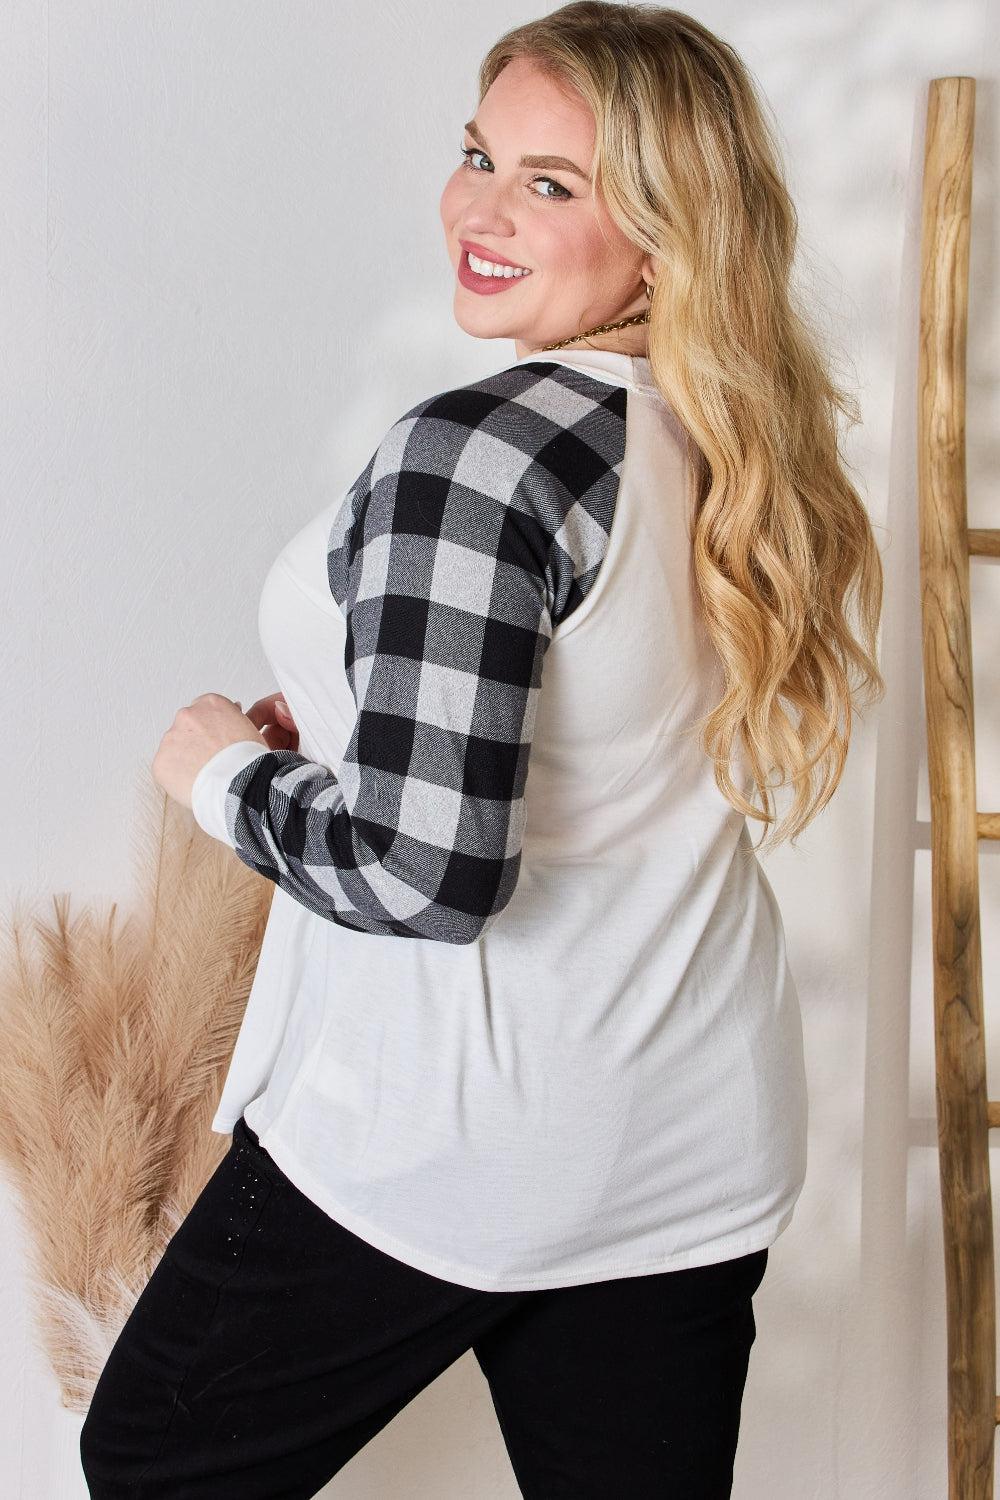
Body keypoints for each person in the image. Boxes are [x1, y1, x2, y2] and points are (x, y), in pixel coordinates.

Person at [80, 5, 884, 1497]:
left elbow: (423, 875)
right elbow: (603, 726)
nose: (479, 210)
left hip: (452, 1139)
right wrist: (355, 726)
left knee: (148, 1465)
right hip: (692, 1141)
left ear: (665, 228)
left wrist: (219, 773)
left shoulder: (478, 454)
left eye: (552, 184)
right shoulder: (726, 434)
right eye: (478, 156)